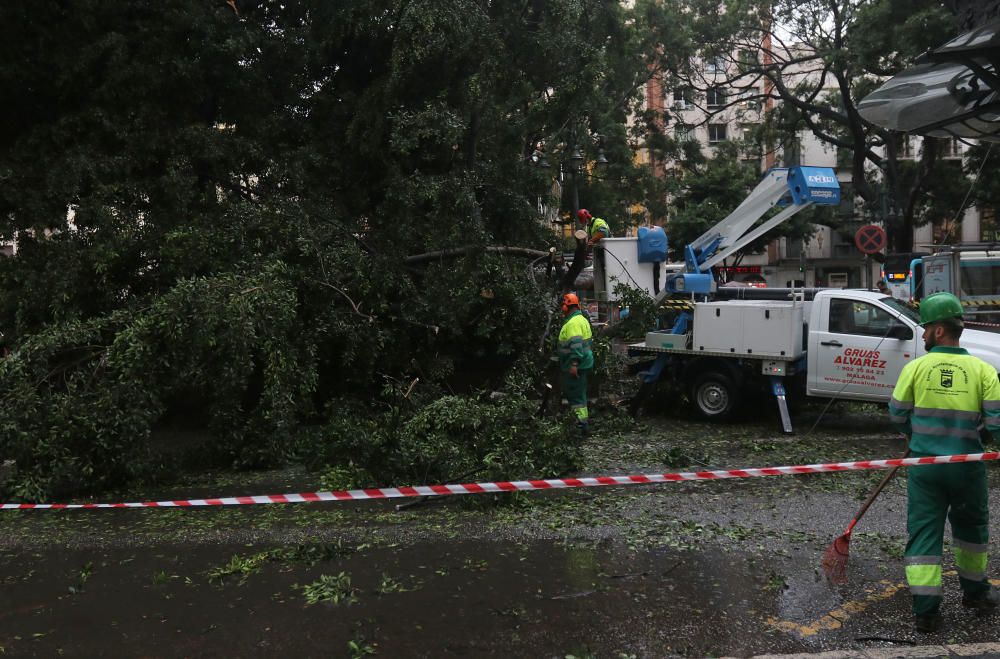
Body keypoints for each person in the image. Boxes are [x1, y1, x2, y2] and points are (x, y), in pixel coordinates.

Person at [888, 292, 1000, 633]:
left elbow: (897, 413)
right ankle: (976, 596)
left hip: (926, 468)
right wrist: (980, 441)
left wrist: (915, 435)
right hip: (967, 466)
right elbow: (996, 423)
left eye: (925, 329)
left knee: (924, 535)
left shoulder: (915, 368)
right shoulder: (984, 371)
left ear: (939, 331)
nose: (921, 335)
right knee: (971, 533)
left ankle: (926, 613)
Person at [557, 293, 594, 437]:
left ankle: (581, 427)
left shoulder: (573, 323)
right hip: (583, 363)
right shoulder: (581, 319)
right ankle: (582, 425)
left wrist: (573, 364)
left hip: (576, 365)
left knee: (576, 397)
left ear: (566, 306)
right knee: (580, 395)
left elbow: (576, 345)